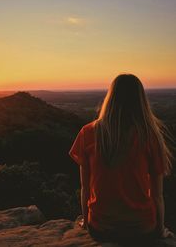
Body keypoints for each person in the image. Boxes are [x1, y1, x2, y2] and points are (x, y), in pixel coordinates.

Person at [69, 74, 174, 243]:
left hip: (101, 229)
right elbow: (157, 196)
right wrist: (160, 230)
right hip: (142, 229)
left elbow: (85, 188)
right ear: (140, 100)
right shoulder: (150, 136)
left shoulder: (88, 133)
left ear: (110, 97)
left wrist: (86, 222)